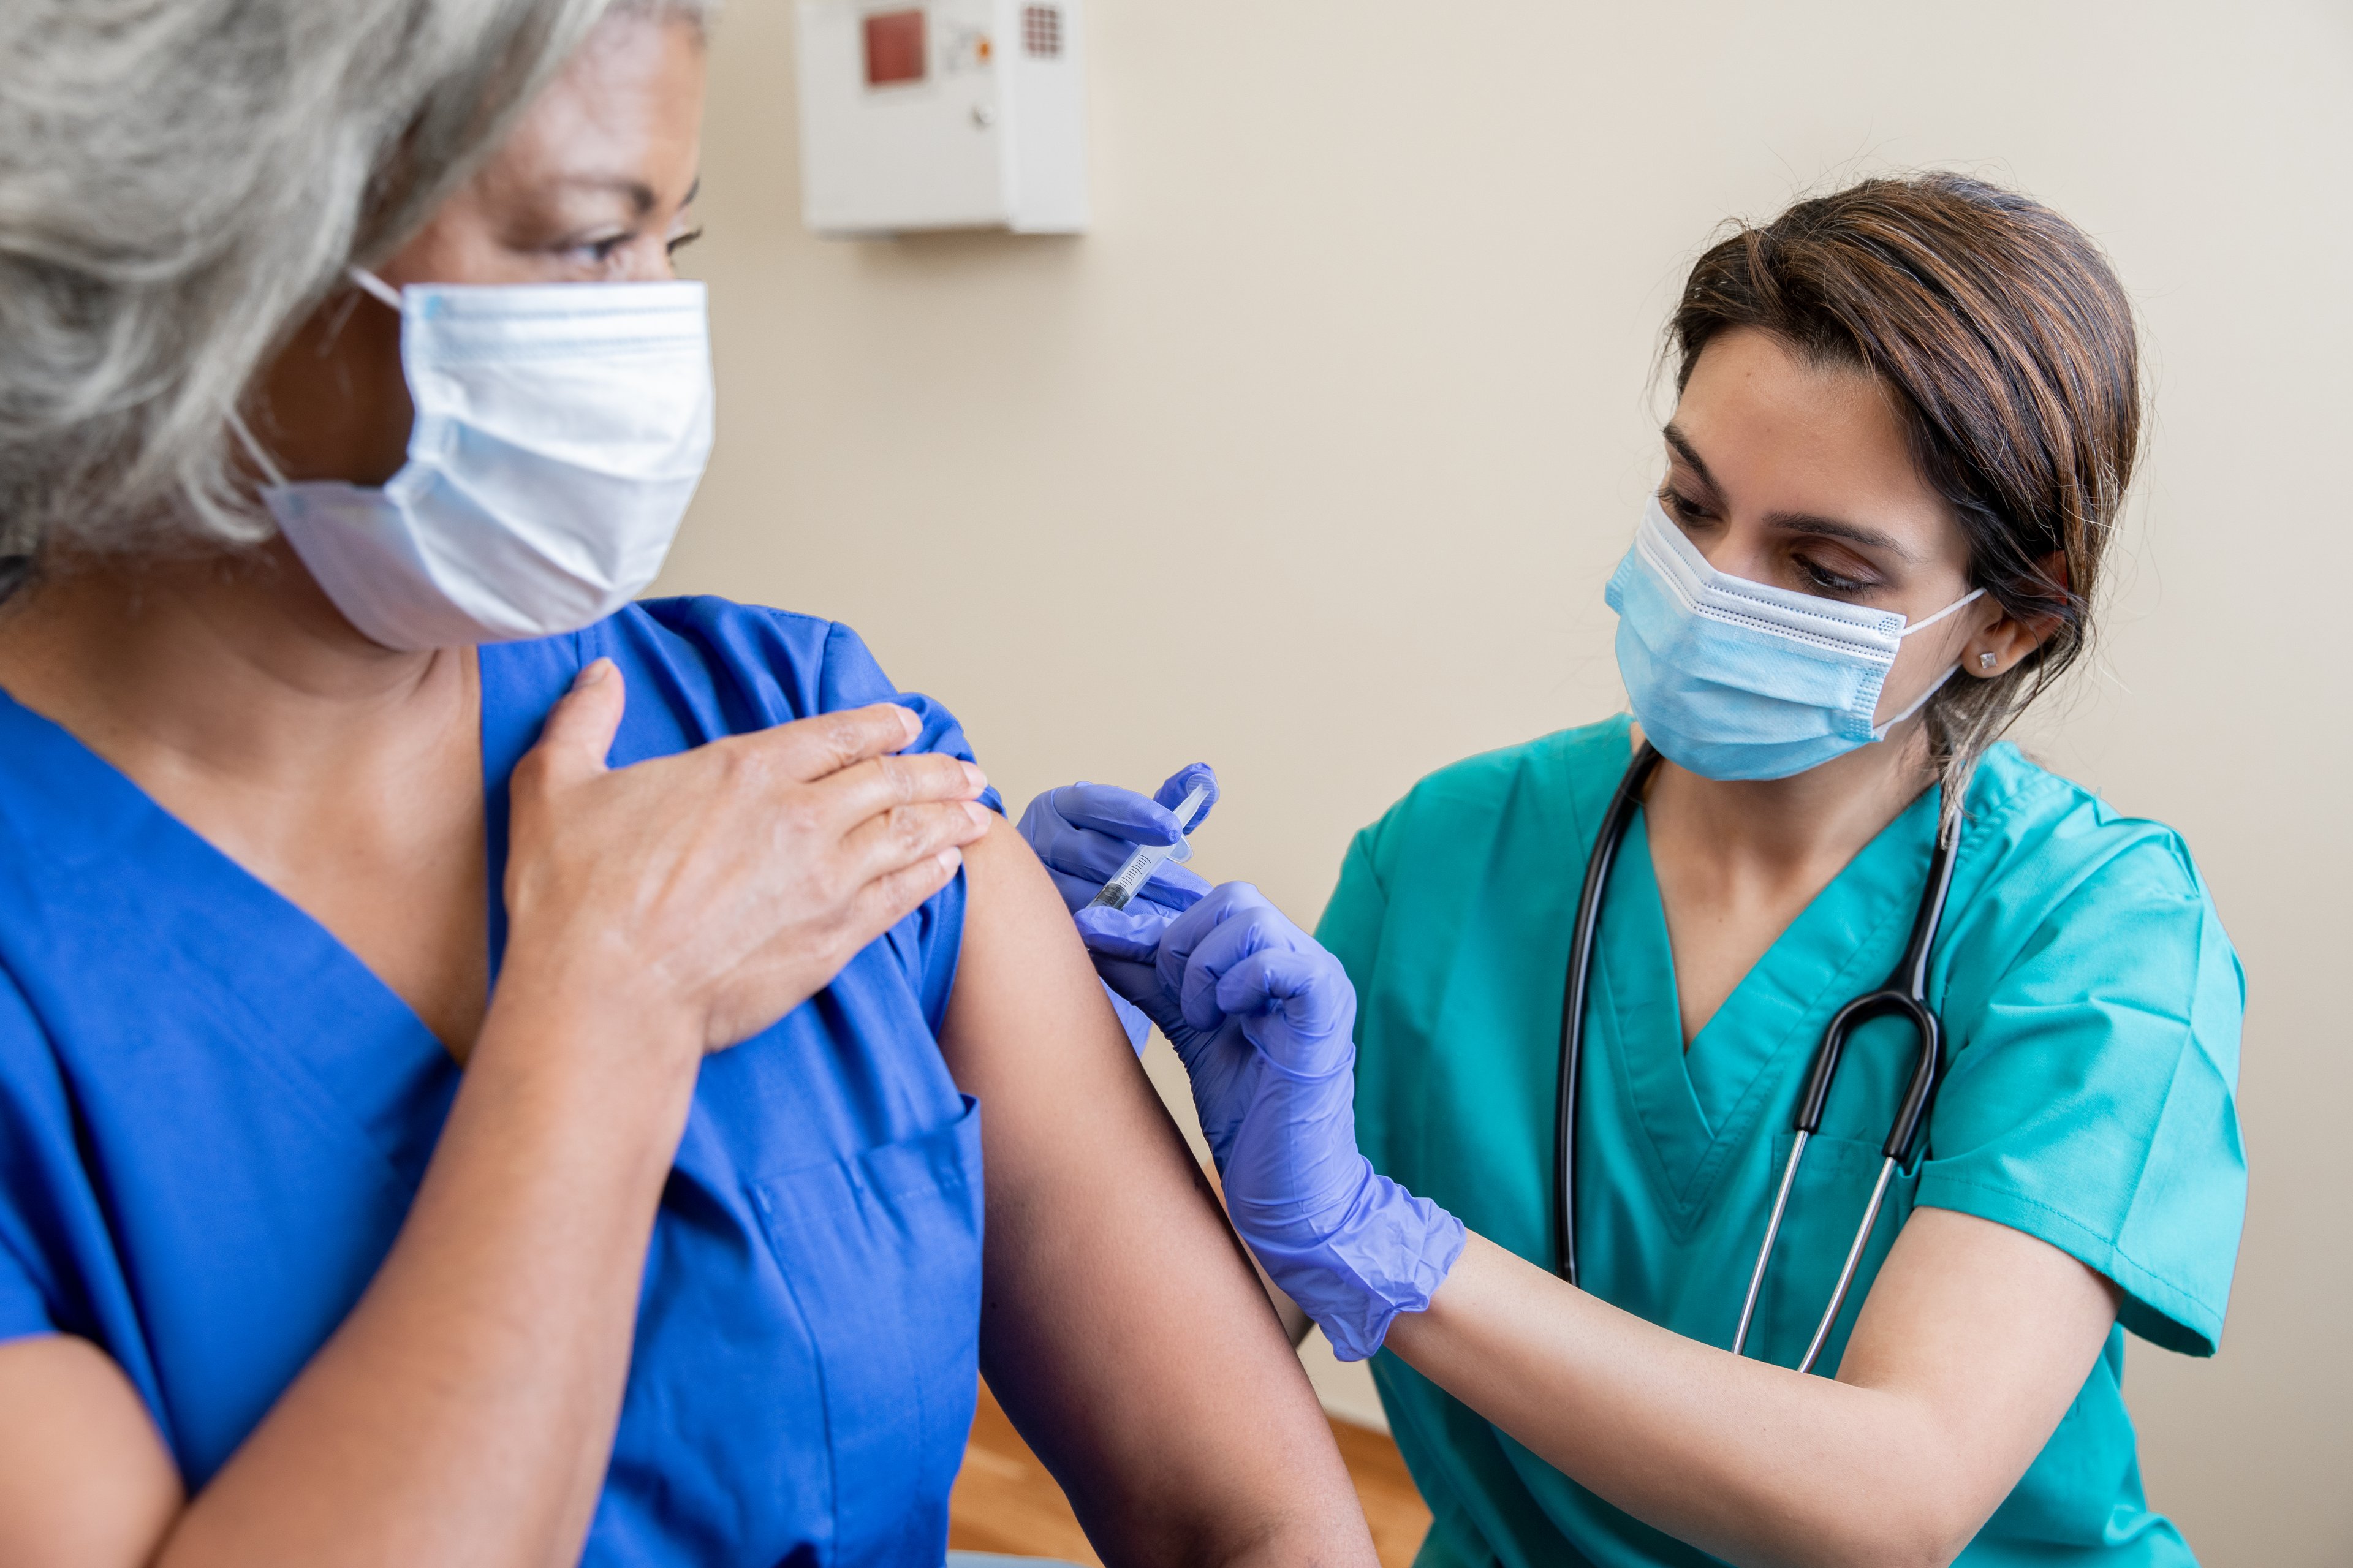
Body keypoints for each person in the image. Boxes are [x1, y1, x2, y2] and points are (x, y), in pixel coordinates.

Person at [0, 3, 1379, 1564]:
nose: (658, 331)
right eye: (592, 247)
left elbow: (1251, 1519)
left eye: (679, 236)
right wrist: (602, 1021)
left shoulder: (786, 727)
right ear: (204, 238)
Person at [1023, 175, 2246, 1567]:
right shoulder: (1448, 857)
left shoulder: (2098, 935)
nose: (1715, 582)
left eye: (1826, 569)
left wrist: (1381, 1241)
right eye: (1690, 500)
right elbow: (1179, 1377)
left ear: (2008, 628)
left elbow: (1898, 1494)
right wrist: (1027, 1027)